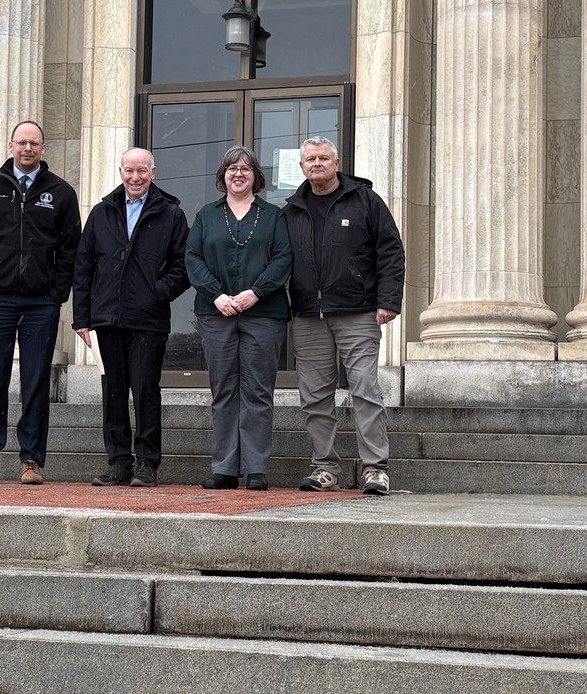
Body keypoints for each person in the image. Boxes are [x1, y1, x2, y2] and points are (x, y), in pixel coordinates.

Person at [0, 120, 82, 485]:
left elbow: (71, 248)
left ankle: (31, 460)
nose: (28, 148)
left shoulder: (60, 192)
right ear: (11, 145)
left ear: (44, 148)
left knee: (35, 383)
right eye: (22, 142)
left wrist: (57, 293)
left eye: (35, 143)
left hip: (40, 304)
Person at [283, 136, 405, 495]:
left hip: (357, 311)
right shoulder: (290, 210)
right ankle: (325, 469)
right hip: (308, 315)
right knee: (314, 396)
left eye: (323, 158)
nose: (316, 164)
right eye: (310, 159)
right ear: (302, 167)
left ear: (336, 163)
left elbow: (390, 252)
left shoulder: (365, 201)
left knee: (365, 389)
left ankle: (375, 469)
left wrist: (389, 301)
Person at [72, 148, 190, 487]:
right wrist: (83, 318)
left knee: (145, 392)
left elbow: (183, 267)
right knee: (113, 392)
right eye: (129, 170)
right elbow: (83, 268)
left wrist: (157, 292)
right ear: (120, 171)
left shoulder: (171, 214)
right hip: (105, 320)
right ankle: (118, 463)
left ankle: (147, 464)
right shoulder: (102, 212)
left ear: (153, 172)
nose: (135, 177)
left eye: (142, 171)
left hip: (148, 321)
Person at [185, 146, 292, 491]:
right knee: (224, 390)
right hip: (216, 314)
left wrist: (255, 292)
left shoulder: (273, 215)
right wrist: (216, 294)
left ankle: (256, 467)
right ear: (223, 175)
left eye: (245, 168)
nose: (238, 173)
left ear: (255, 175)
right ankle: (226, 467)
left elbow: (283, 259)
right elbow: (193, 258)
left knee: (258, 390)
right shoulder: (206, 215)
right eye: (232, 168)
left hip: (264, 314)